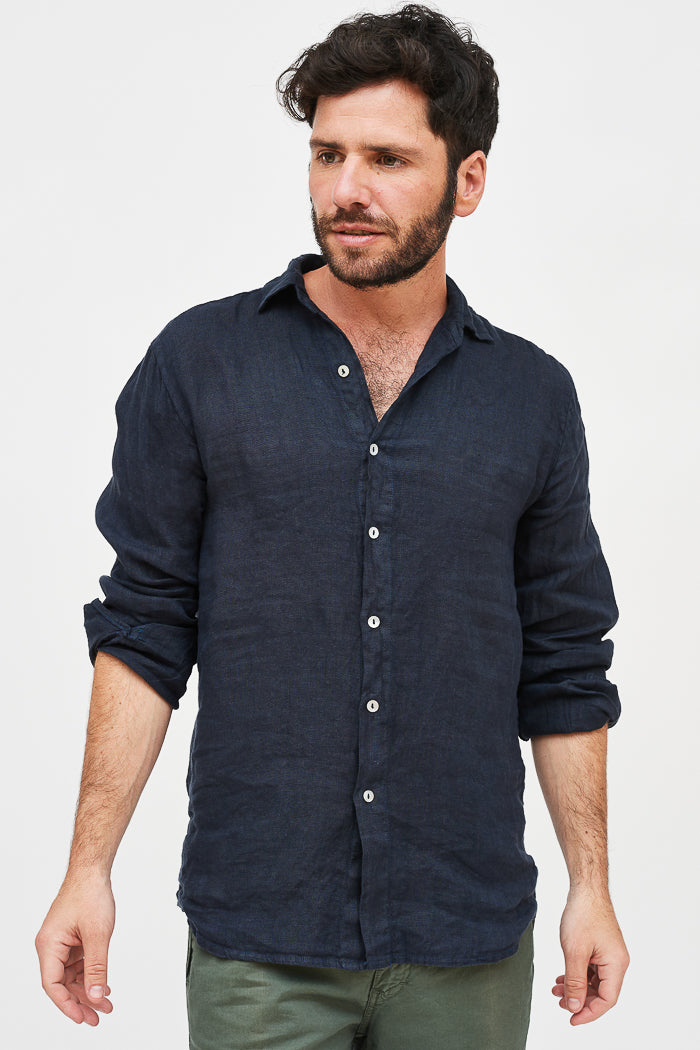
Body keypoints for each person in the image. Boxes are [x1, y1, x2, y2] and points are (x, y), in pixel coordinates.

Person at [35, 5, 629, 1048]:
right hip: (260, 939)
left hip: (466, 936)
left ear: (468, 181)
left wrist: (593, 886)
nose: (346, 189)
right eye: (327, 154)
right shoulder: (200, 364)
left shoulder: (531, 398)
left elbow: (565, 659)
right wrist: (87, 870)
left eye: (387, 159)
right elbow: (143, 626)